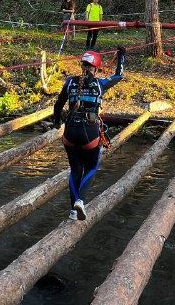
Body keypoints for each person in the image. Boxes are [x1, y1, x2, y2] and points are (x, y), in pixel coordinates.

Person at [53, 46, 126, 220]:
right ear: (96, 68)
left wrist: (56, 123)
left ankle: (73, 211)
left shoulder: (69, 82)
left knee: (75, 169)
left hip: (70, 132)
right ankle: (80, 200)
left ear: (82, 66)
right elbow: (119, 75)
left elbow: (58, 105)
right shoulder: (100, 84)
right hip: (90, 132)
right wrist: (121, 56)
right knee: (91, 167)